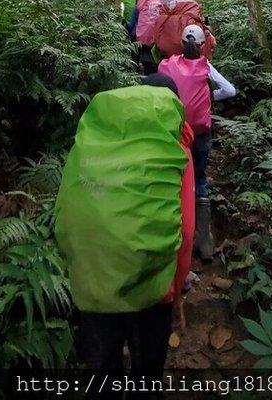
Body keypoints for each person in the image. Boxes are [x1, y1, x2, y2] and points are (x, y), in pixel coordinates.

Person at [54, 76, 194, 376]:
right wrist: (176, 284)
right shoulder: (174, 149)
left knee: (101, 369)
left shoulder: (95, 141)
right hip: (154, 285)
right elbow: (187, 228)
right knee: (146, 374)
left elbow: (70, 205)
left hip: (96, 276)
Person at [158, 25, 236, 261]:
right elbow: (230, 90)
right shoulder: (206, 66)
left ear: (180, 43)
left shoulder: (166, 65)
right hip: (201, 131)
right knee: (200, 179)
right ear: (203, 46)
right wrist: (213, 96)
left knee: (174, 179)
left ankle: (174, 239)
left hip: (176, 131)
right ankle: (204, 241)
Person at [128, 0, 164, 75]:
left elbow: (132, 23)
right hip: (157, 39)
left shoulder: (138, 7)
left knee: (145, 60)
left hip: (142, 38)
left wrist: (131, 34)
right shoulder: (160, 7)